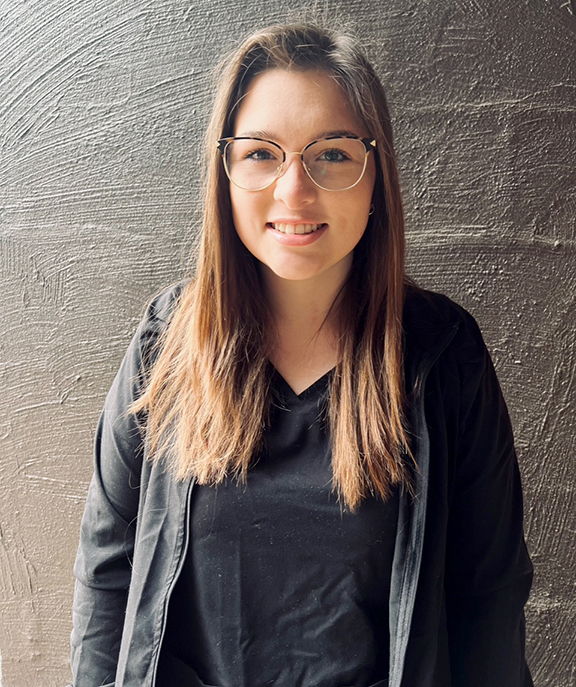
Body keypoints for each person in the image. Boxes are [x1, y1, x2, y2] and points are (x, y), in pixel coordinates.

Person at [69, 21, 534, 687]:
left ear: (376, 172)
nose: (295, 190)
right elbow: (106, 571)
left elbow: (488, 599)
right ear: (224, 169)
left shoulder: (444, 355)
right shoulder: (165, 341)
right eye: (262, 153)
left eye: (333, 154)